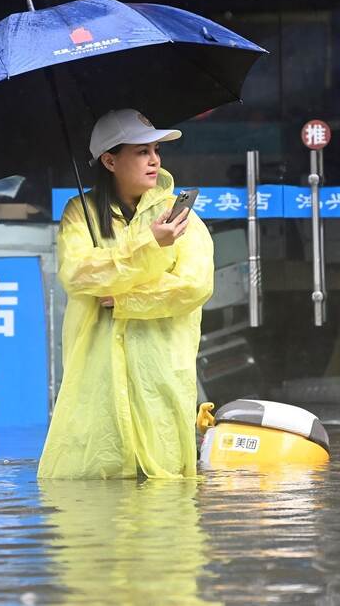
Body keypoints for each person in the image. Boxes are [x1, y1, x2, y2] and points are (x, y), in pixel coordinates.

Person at [37, 108, 214, 479]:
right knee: (93, 485)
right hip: (96, 372)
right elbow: (77, 273)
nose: (155, 160)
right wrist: (151, 245)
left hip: (161, 370)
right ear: (109, 160)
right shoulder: (79, 214)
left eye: (156, 151)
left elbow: (194, 285)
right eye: (141, 152)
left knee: (166, 492)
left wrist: (124, 300)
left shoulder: (178, 216)